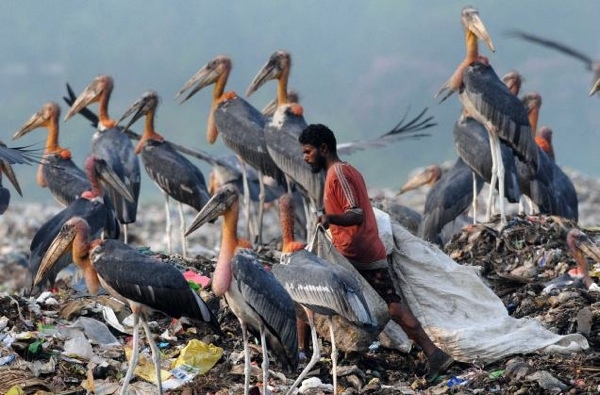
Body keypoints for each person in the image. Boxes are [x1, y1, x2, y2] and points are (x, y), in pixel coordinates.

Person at [298, 123, 454, 381]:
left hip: (359, 255)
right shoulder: (347, 170)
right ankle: (429, 353)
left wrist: (329, 218)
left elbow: (356, 212)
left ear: (323, 148)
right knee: (376, 306)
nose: (305, 158)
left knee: (310, 294)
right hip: (359, 251)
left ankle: (301, 355)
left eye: (308, 151)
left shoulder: (338, 174)